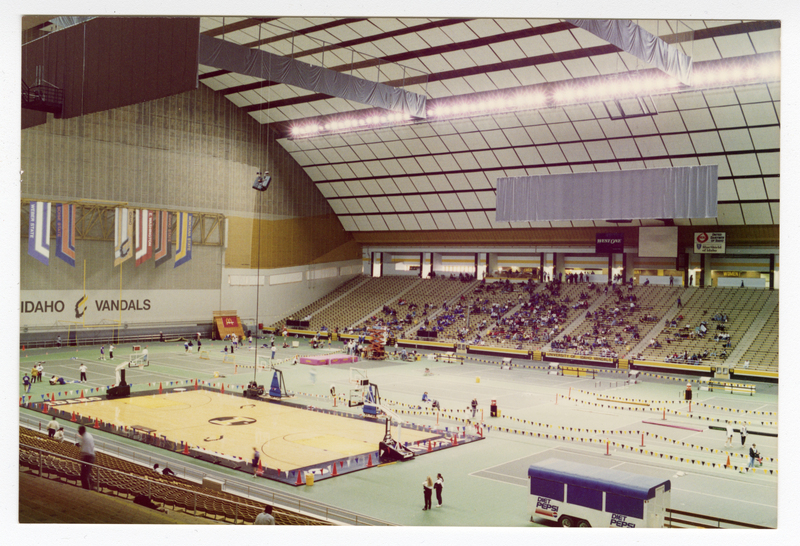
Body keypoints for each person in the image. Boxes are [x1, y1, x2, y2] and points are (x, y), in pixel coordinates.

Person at [77, 425, 95, 490]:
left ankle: (86, 488)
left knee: (84, 475)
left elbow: (85, 450)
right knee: (87, 473)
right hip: (91, 456)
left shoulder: (85, 437)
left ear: (81, 431)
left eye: (79, 430)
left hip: (88, 457)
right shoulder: (88, 435)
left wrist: (81, 457)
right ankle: (91, 484)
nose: (78, 431)